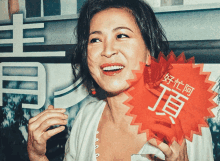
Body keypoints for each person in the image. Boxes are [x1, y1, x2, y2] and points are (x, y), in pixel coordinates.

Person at [27, 0, 214, 160]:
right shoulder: (86, 118)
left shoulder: (186, 126)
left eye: (121, 35)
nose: (107, 50)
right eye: (95, 40)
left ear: (149, 53)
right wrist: (37, 156)